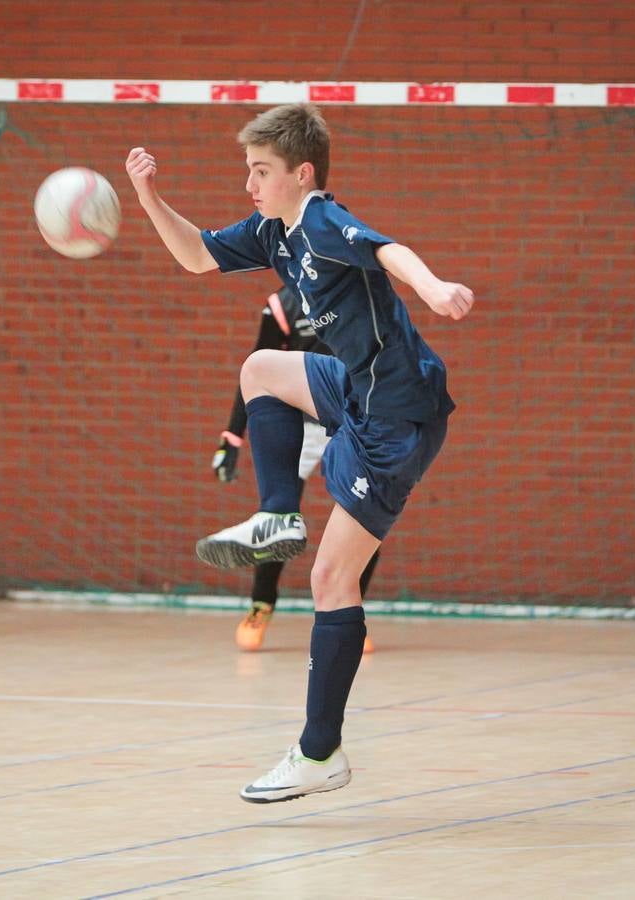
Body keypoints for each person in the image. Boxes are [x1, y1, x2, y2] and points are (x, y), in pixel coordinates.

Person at [125, 103, 473, 804]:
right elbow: (196, 256)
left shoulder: (321, 219)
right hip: (357, 389)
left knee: (330, 582)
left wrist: (433, 287)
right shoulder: (272, 232)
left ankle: (319, 754)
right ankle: (278, 513)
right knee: (260, 369)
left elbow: (387, 250)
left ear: (301, 173)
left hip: (397, 416)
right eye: (248, 170)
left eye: (261, 171)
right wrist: (147, 196)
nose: (249, 184)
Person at [211, 286, 379, 653]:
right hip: (300, 423)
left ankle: (351, 613)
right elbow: (256, 370)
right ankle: (261, 606)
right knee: (277, 520)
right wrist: (232, 437)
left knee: (366, 519)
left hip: (351, 421)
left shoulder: (363, 294)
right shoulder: (283, 304)